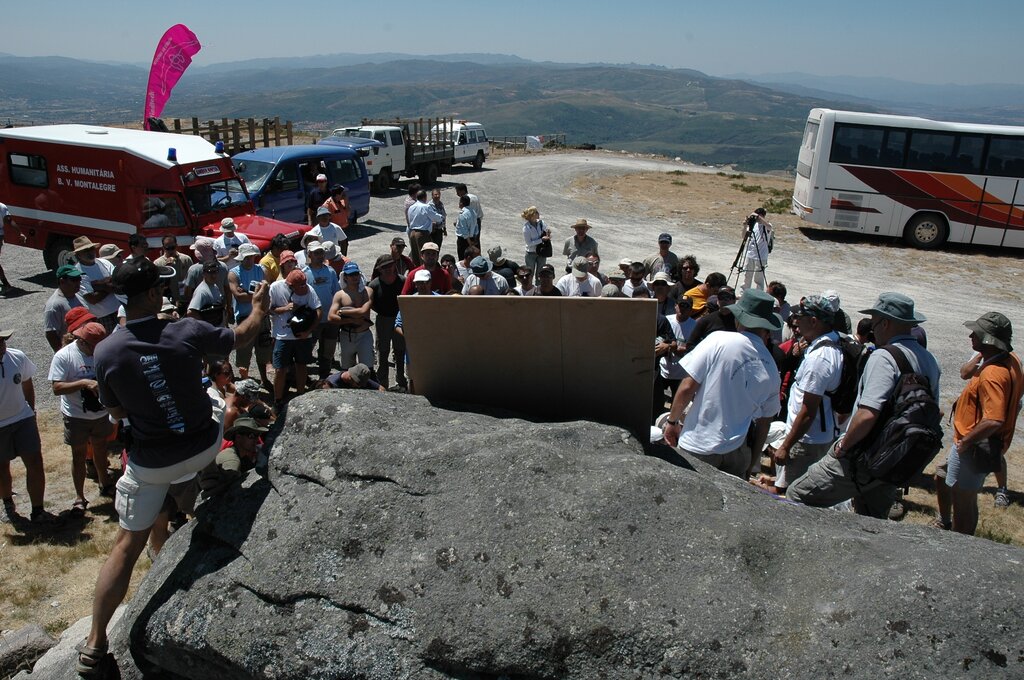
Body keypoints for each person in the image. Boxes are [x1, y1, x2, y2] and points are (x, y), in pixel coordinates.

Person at [80, 258, 270, 674]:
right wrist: (259, 306)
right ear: (152, 294)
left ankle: (94, 646)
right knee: (223, 407)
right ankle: (214, 488)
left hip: (151, 464)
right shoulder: (187, 329)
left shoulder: (107, 350)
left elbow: (114, 413)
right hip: (203, 444)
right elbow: (240, 336)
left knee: (126, 546)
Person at [786, 293, 940, 518]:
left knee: (797, 495)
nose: (872, 330)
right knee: (872, 518)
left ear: (885, 323)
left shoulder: (884, 357)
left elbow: (867, 414)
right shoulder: (928, 360)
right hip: (894, 457)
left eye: (875, 323)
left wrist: (842, 448)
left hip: (862, 453)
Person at [661, 290, 781, 478]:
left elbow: (687, 387)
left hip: (700, 442)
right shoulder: (771, 366)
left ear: (739, 318)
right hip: (737, 451)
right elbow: (765, 423)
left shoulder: (718, 340)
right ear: (767, 327)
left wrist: (672, 421)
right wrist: (751, 463)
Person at [935, 312, 1022, 533]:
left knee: (963, 504)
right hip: (980, 445)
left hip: (974, 447)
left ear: (989, 340)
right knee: (954, 488)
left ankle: (961, 547)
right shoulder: (1012, 360)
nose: (971, 336)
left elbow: (994, 419)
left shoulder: (992, 373)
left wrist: (965, 442)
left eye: (977, 333)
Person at [769, 296, 843, 494]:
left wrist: (786, 445)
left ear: (813, 321)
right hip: (814, 437)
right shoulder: (829, 346)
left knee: (794, 495)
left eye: (800, 318)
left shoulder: (819, 359)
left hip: (807, 441)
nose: (796, 323)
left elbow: (808, 410)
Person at [50, 321, 115, 513]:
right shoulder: (65, 356)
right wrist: (85, 383)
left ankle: (105, 483)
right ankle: (80, 496)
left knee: (101, 449)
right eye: (96, 345)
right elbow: (56, 388)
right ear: (83, 342)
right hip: (76, 415)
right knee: (78, 455)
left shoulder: (104, 352)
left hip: (101, 413)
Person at [0, 330, 49, 526]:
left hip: (23, 419)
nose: (2, 345)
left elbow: (27, 384)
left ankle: (38, 510)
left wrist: (31, 410)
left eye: (2, 340)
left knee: (35, 462)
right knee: (2, 467)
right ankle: (8, 504)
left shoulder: (17, 357)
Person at [269, 269, 321, 405]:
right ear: (290, 285)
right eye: (300, 286)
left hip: (302, 336)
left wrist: (308, 331)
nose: (304, 288)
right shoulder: (275, 287)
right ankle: (278, 400)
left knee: (302, 365)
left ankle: (300, 395)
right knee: (280, 369)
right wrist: (286, 308)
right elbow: (268, 309)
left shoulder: (308, 289)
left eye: (305, 285)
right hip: (283, 336)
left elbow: (318, 311)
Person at [227, 243, 271, 385]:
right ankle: (244, 381)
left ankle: (264, 379)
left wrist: (248, 293)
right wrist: (258, 294)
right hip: (245, 317)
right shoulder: (234, 273)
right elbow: (238, 296)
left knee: (263, 350)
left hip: (261, 317)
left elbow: (266, 292)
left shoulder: (261, 270)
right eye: (246, 257)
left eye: (251, 257)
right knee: (243, 351)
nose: (249, 260)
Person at [198, 416, 269, 498]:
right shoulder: (232, 460)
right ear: (238, 437)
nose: (256, 440)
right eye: (251, 436)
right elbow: (226, 490)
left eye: (258, 435)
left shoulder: (245, 455)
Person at [302, 241, 342, 379]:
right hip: (313, 319)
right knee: (307, 349)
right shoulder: (304, 273)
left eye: (321, 252)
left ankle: (324, 377)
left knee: (328, 350)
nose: (320, 255)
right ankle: (303, 375)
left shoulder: (330, 271)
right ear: (309, 255)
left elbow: (337, 292)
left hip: (330, 319)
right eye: (316, 253)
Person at [369, 255, 407, 392]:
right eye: (384, 267)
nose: (389, 269)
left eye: (390, 265)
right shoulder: (374, 284)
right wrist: (380, 311)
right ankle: (382, 382)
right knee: (383, 351)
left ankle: (401, 380)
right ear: (379, 269)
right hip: (383, 319)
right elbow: (370, 303)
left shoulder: (403, 280)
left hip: (400, 319)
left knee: (400, 350)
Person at [330, 262, 374, 370]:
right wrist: (351, 321)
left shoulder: (367, 291)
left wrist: (342, 312)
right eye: (351, 275)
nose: (354, 277)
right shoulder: (340, 295)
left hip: (364, 334)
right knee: (346, 369)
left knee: (368, 369)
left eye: (356, 274)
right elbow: (331, 317)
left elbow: (363, 311)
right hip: (347, 335)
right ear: (345, 277)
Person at [73, 236, 120, 334]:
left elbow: (117, 282)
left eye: (91, 248)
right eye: (85, 250)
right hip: (101, 317)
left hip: (118, 311)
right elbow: (92, 299)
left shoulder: (105, 263)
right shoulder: (78, 272)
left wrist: (96, 285)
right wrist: (107, 286)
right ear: (78, 255)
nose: (90, 252)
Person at [43, 265, 86, 352]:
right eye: (74, 280)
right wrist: (63, 354)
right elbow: (51, 334)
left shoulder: (77, 294)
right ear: (62, 281)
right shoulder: (54, 305)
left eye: (79, 278)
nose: (78, 282)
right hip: (73, 350)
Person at [153, 235, 193, 314]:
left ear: (176, 246)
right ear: (163, 248)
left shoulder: (185, 259)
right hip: (168, 303)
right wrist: (167, 267)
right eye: (168, 248)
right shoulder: (158, 263)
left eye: (173, 247)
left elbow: (191, 278)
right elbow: (157, 284)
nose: (170, 250)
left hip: (185, 300)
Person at [187, 260, 229, 329]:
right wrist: (207, 327)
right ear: (203, 273)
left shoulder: (214, 286)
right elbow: (191, 313)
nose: (214, 275)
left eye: (215, 271)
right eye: (210, 272)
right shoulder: (202, 291)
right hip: (210, 333)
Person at [407, 190, 444, 266]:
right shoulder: (425, 206)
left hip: (412, 233)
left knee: (415, 256)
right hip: (422, 234)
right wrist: (441, 217)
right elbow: (435, 217)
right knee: (425, 257)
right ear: (425, 197)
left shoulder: (411, 207)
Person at [741, 208, 771, 292]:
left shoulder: (766, 225)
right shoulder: (752, 225)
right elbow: (744, 237)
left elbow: (769, 227)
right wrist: (745, 225)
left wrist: (759, 218)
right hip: (750, 254)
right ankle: (743, 292)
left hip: (761, 256)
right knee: (747, 275)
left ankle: (759, 292)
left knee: (758, 277)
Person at [0, 201, 27, 293]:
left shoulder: (1, 207)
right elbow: (9, 220)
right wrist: (20, 233)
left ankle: (6, 284)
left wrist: (19, 233)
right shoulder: (2, 206)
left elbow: (9, 220)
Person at [521, 206, 552, 282]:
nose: (538, 214)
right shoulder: (526, 228)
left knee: (540, 274)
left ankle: (539, 290)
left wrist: (548, 233)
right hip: (531, 253)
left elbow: (546, 230)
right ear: (532, 215)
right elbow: (529, 243)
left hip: (541, 252)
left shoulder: (541, 223)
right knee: (529, 274)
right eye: (536, 212)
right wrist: (541, 240)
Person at [319, 363, 386, 391]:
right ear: (350, 378)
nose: (359, 386)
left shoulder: (358, 378)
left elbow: (381, 389)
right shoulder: (332, 383)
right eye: (358, 384)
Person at [453, 194, 480, 260]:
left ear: (461, 203)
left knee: (462, 258)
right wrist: (475, 239)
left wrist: (470, 243)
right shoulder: (473, 212)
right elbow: (476, 227)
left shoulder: (463, 214)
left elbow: (464, 230)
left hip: (464, 240)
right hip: (472, 238)